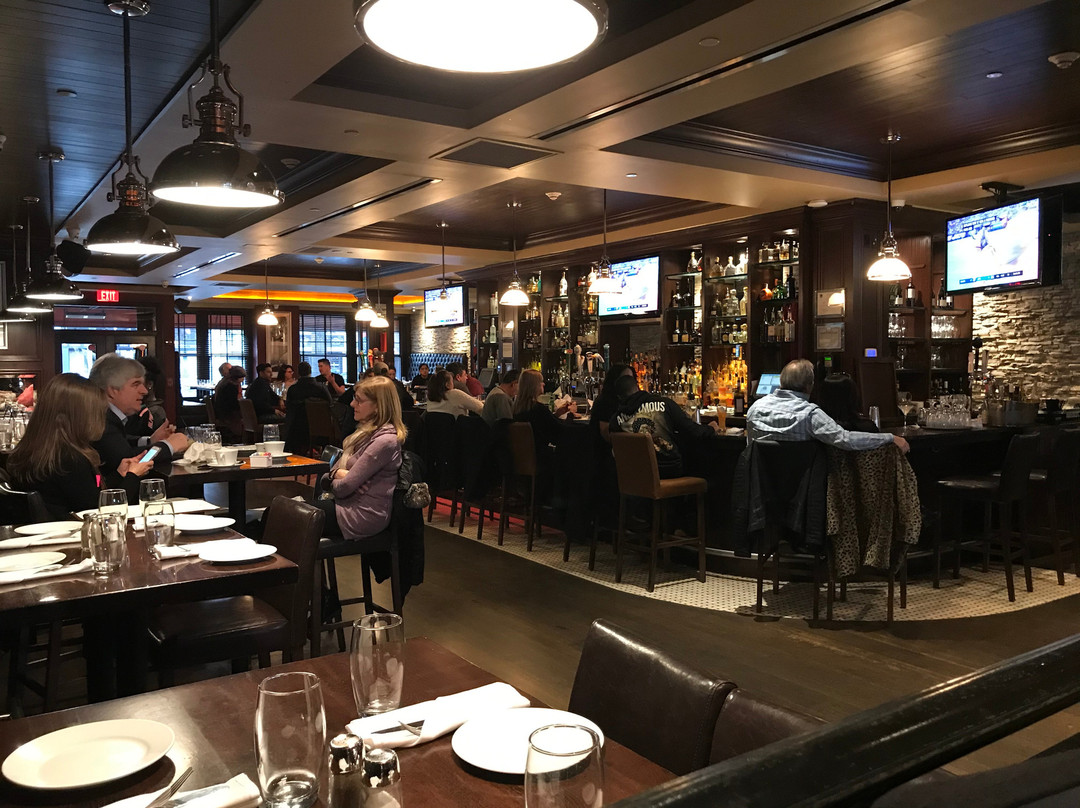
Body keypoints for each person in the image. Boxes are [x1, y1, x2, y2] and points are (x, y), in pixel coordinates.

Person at [6, 374, 154, 518]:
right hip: (69, 530)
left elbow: (93, 488)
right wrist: (133, 477)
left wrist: (118, 474)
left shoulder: (33, 450)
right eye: (98, 412)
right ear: (81, 416)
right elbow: (99, 514)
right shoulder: (70, 460)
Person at [746, 359, 908, 453]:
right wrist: (890, 438)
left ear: (781, 381)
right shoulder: (809, 414)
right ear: (809, 386)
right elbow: (846, 440)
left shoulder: (755, 409)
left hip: (759, 488)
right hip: (802, 491)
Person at [317, 376, 405, 540]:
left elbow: (344, 487)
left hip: (362, 515)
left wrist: (335, 478)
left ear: (378, 406)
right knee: (280, 513)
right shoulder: (362, 435)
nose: (352, 404)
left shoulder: (385, 441)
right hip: (346, 505)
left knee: (287, 517)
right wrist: (336, 474)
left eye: (359, 400)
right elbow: (326, 478)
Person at [87, 353, 188, 492]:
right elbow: (130, 459)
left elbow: (119, 444)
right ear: (112, 390)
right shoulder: (103, 420)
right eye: (136, 384)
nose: (144, 391)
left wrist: (150, 440)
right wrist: (168, 446)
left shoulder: (107, 415)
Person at [609, 373, 720, 478]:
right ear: (638, 388)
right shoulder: (665, 404)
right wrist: (711, 428)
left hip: (635, 475)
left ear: (619, 397)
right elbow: (692, 430)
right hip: (669, 471)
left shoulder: (615, 420)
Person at [283, 361, 333, 453]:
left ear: (298, 373)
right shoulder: (321, 388)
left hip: (297, 429)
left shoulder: (293, 389)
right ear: (310, 371)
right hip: (320, 427)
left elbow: (288, 408)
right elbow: (330, 404)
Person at [589, 363, 633, 444]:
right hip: (606, 449)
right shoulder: (604, 402)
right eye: (625, 378)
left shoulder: (630, 401)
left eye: (631, 378)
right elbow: (607, 435)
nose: (628, 382)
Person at [213, 365, 246, 442]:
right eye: (242, 377)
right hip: (227, 416)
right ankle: (242, 438)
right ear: (237, 377)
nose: (243, 379)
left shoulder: (223, 383)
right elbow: (233, 404)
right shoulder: (231, 386)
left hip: (220, 413)